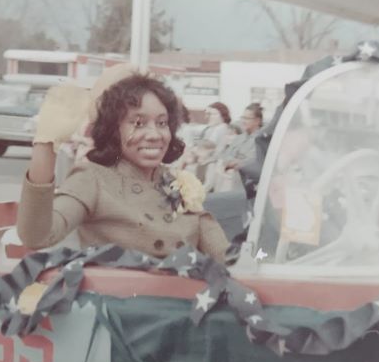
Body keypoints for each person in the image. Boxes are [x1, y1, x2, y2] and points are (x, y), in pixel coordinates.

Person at [17, 69, 230, 263]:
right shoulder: (92, 178)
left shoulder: (178, 184)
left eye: (162, 123)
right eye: (138, 123)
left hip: (184, 300)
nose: (154, 135)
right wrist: (45, 144)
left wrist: (262, 255)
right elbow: (37, 235)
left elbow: (230, 256)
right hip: (120, 301)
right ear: (114, 130)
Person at [205, 103, 264, 192]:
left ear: (257, 121)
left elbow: (251, 162)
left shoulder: (260, 139)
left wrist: (235, 161)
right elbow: (225, 156)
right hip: (232, 180)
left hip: (249, 184)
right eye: (242, 118)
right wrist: (233, 161)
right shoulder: (239, 138)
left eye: (247, 118)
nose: (243, 121)